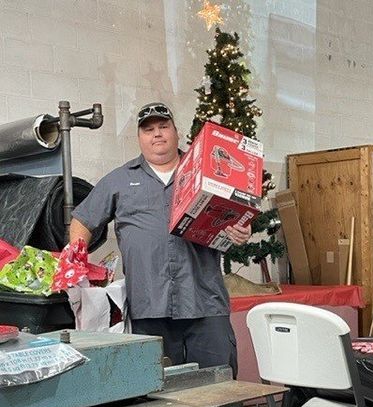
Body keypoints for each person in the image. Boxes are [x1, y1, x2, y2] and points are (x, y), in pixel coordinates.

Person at [70, 102, 251, 374]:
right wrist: (76, 257)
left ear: (176, 132)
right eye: (149, 129)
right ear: (140, 138)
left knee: (220, 384)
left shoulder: (206, 172)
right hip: (148, 306)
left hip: (205, 302)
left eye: (163, 126)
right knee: (158, 393)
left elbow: (234, 216)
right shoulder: (119, 180)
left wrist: (241, 230)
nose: (157, 134)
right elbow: (83, 220)